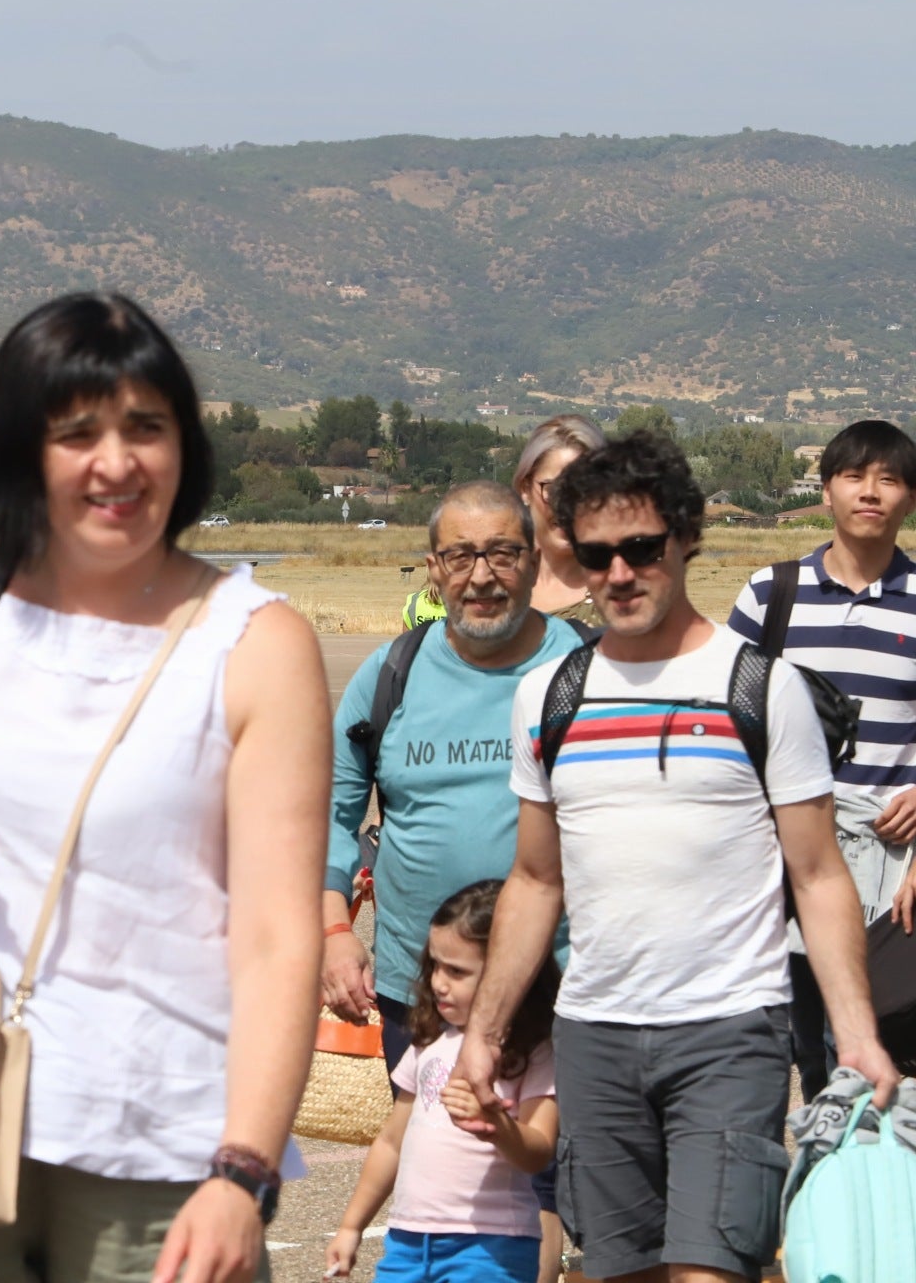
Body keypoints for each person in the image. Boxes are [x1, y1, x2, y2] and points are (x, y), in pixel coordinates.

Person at [0, 291, 330, 1283]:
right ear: (21, 450)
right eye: (77, 432)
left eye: (147, 427)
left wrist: (243, 1171)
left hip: (156, 1145)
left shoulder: (258, 644)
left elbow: (276, 936)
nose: (117, 463)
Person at [457, 432, 900, 1283]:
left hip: (731, 1032)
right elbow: (535, 880)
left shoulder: (761, 687)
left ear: (686, 539)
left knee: (709, 1270)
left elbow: (817, 874)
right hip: (596, 1037)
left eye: (640, 549)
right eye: (595, 555)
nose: (618, 574)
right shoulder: (548, 695)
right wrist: (484, 1036)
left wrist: (856, 1037)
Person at [323, 481, 586, 1070]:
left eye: (503, 553)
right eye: (460, 556)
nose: (482, 575)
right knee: (434, 1161)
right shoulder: (390, 674)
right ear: (434, 570)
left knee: (563, 1163)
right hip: (419, 996)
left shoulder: (590, 669)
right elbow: (331, 819)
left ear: (536, 562)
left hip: (567, 992)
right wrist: (335, 936)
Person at [727, 419, 916, 1086]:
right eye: (854, 476)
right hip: (788, 853)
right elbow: (727, 723)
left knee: (886, 1048)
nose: (871, 493)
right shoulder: (769, 594)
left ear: (910, 500)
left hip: (896, 862)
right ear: (827, 491)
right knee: (809, 1050)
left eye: (889, 479)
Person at [327, 882, 559, 1283]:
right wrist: (352, 1226)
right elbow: (391, 1141)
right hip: (407, 1243)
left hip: (491, 1246)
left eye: (457, 971)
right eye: (435, 965)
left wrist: (500, 1128)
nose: (438, 982)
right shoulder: (430, 1043)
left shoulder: (533, 1051)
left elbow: (539, 1151)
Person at [510, 416, 606, 622]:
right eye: (554, 490)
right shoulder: (493, 585)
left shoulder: (621, 594)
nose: (568, 506)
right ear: (525, 488)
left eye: (583, 490)